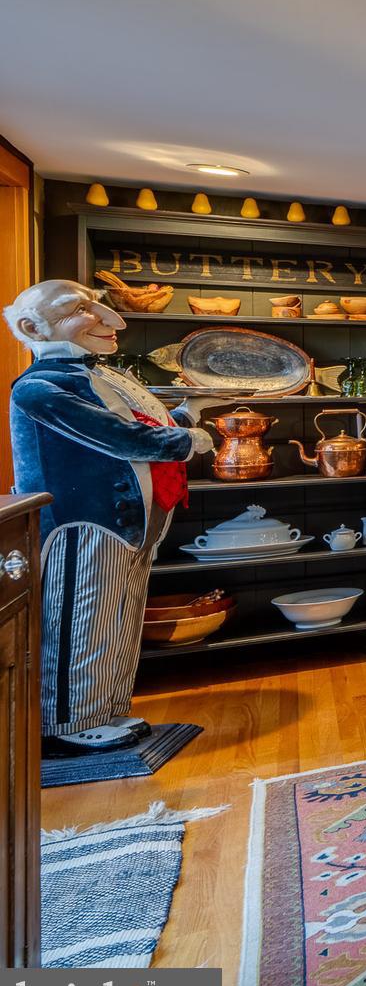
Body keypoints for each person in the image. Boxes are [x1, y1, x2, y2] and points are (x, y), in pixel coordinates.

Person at [7, 279, 217, 751]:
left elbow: (142, 424)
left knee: (119, 619)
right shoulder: (40, 388)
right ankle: (66, 723)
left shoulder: (99, 377)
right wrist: (191, 441)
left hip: (130, 522)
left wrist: (187, 412)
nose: (110, 320)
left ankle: (106, 709)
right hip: (83, 523)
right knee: (81, 618)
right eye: (81, 310)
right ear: (30, 326)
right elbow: (124, 438)